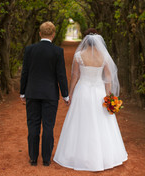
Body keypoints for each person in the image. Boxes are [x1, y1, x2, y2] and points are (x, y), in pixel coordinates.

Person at [53, 29, 128, 171]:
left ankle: (79, 156)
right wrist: (108, 97)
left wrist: (70, 94)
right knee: (102, 123)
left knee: (81, 122)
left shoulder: (79, 56)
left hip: (83, 91)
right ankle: (104, 157)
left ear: (85, 41)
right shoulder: (104, 57)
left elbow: (75, 77)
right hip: (99, 92)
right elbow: (108, 79)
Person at [20, 21, 69, 166]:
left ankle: (33, 158)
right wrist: (65, 95)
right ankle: (46, 159)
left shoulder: (30, 49)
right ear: (53, 34)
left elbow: (25, 73)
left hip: (32, 92)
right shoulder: (57, 51)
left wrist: (22, 92)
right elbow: (61, 75)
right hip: (50, 94)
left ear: (40, 33)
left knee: (33, 125)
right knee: (48, 126)